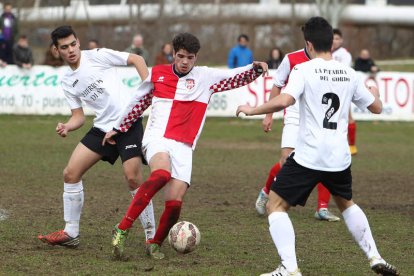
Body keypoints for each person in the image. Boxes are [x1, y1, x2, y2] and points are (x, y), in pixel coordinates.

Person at [237, 17, 399, 276]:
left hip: (309, 155)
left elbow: (284, 101)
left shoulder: (304, 70)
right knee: (347, 204)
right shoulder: (350, 72)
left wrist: (253, 109)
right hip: (339, 157)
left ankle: (289, 268)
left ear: (309, 44)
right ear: (331, 44)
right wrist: (373, 90)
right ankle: (375, 256)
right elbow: (376, 107)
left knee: (275, 205)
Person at [103, 32, 268, 260]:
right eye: (180, 56)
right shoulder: (157, 74)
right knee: (161, 174)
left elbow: (234, 77)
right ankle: (122, 229)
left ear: (196, 57)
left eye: (190, 58)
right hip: (157, 137)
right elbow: (137, 102)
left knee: (174, 204)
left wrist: (255, 69)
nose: (184, 62)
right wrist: (119, 128)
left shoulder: (206, 77)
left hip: (184, 146)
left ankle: (154, 243)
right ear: (173, 53)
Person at [37, 25, 156, 249]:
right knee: (70, 174)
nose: (71, 50)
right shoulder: (67, 81)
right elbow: (78, 116)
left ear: (78, 42)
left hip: (127, 124)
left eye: (73, 44)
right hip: (102, 129)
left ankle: (151, 235)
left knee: (133, 178)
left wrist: (149, 90)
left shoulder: (98, 56)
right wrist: (68, 127)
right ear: (57, 50)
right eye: (64, 47)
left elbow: (137, 59)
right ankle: (71, 232)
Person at [255, 49, 339, 221]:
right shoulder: (291, 59)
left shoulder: (329, 61)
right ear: (308, 41)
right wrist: (269, 115)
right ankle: (266, 191)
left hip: (317, 115)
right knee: (287, 160)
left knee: (323, 158)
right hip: (294, 113)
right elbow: (277, 85)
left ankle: (322, 208)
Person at [332, 28, 358, 156]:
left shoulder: (344, 54)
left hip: (342, 89)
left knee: (348, 116)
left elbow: (344, 71)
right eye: (332, 38)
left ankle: (352, 145)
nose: (334, 41)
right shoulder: (324, 52)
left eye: (337, 39)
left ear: (341, 40)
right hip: (328, 89)